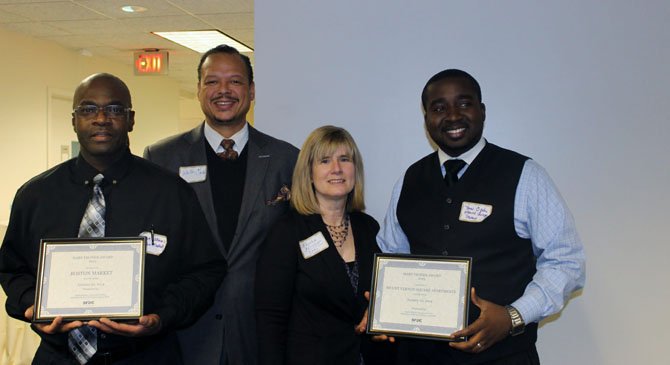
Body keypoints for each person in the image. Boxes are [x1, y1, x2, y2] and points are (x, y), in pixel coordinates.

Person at [0, 73, 226, 364]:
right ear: (74, 120)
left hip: (146, 356)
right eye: (88, 109)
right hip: (59, 357)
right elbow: (12, 268)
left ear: (131, 120)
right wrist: (31, 305)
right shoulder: (36, 195)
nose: (102, 118)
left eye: (115, 109)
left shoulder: (171, 193)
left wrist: (162, 316)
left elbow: (206, 271)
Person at [377, 69, 586, 365]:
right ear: (426, 120)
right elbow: (392, 255)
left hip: (504, 357)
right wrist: (385, 306)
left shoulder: (525, 175)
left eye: (464, 103)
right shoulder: (409, 180)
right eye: (438, 108)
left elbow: (566, 261)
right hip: (421, 357)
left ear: (482, 110)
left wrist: (514, 316)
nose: (452, 116)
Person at [143, 45, 299, 365]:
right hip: (186, 331)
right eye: (212, 81)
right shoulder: (161, 158)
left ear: (251, 91)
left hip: (260, 329)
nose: (223, 90)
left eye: (235, 81)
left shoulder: (286, 159)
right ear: (198, 90)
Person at [256, 126, 395, 365]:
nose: (337, 169)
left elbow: (381, 294)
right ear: (309, 173)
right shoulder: (287, 232)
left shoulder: (368, 227)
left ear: (355, 169)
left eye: (344, 159)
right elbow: (270, 318)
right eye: (324, 161)